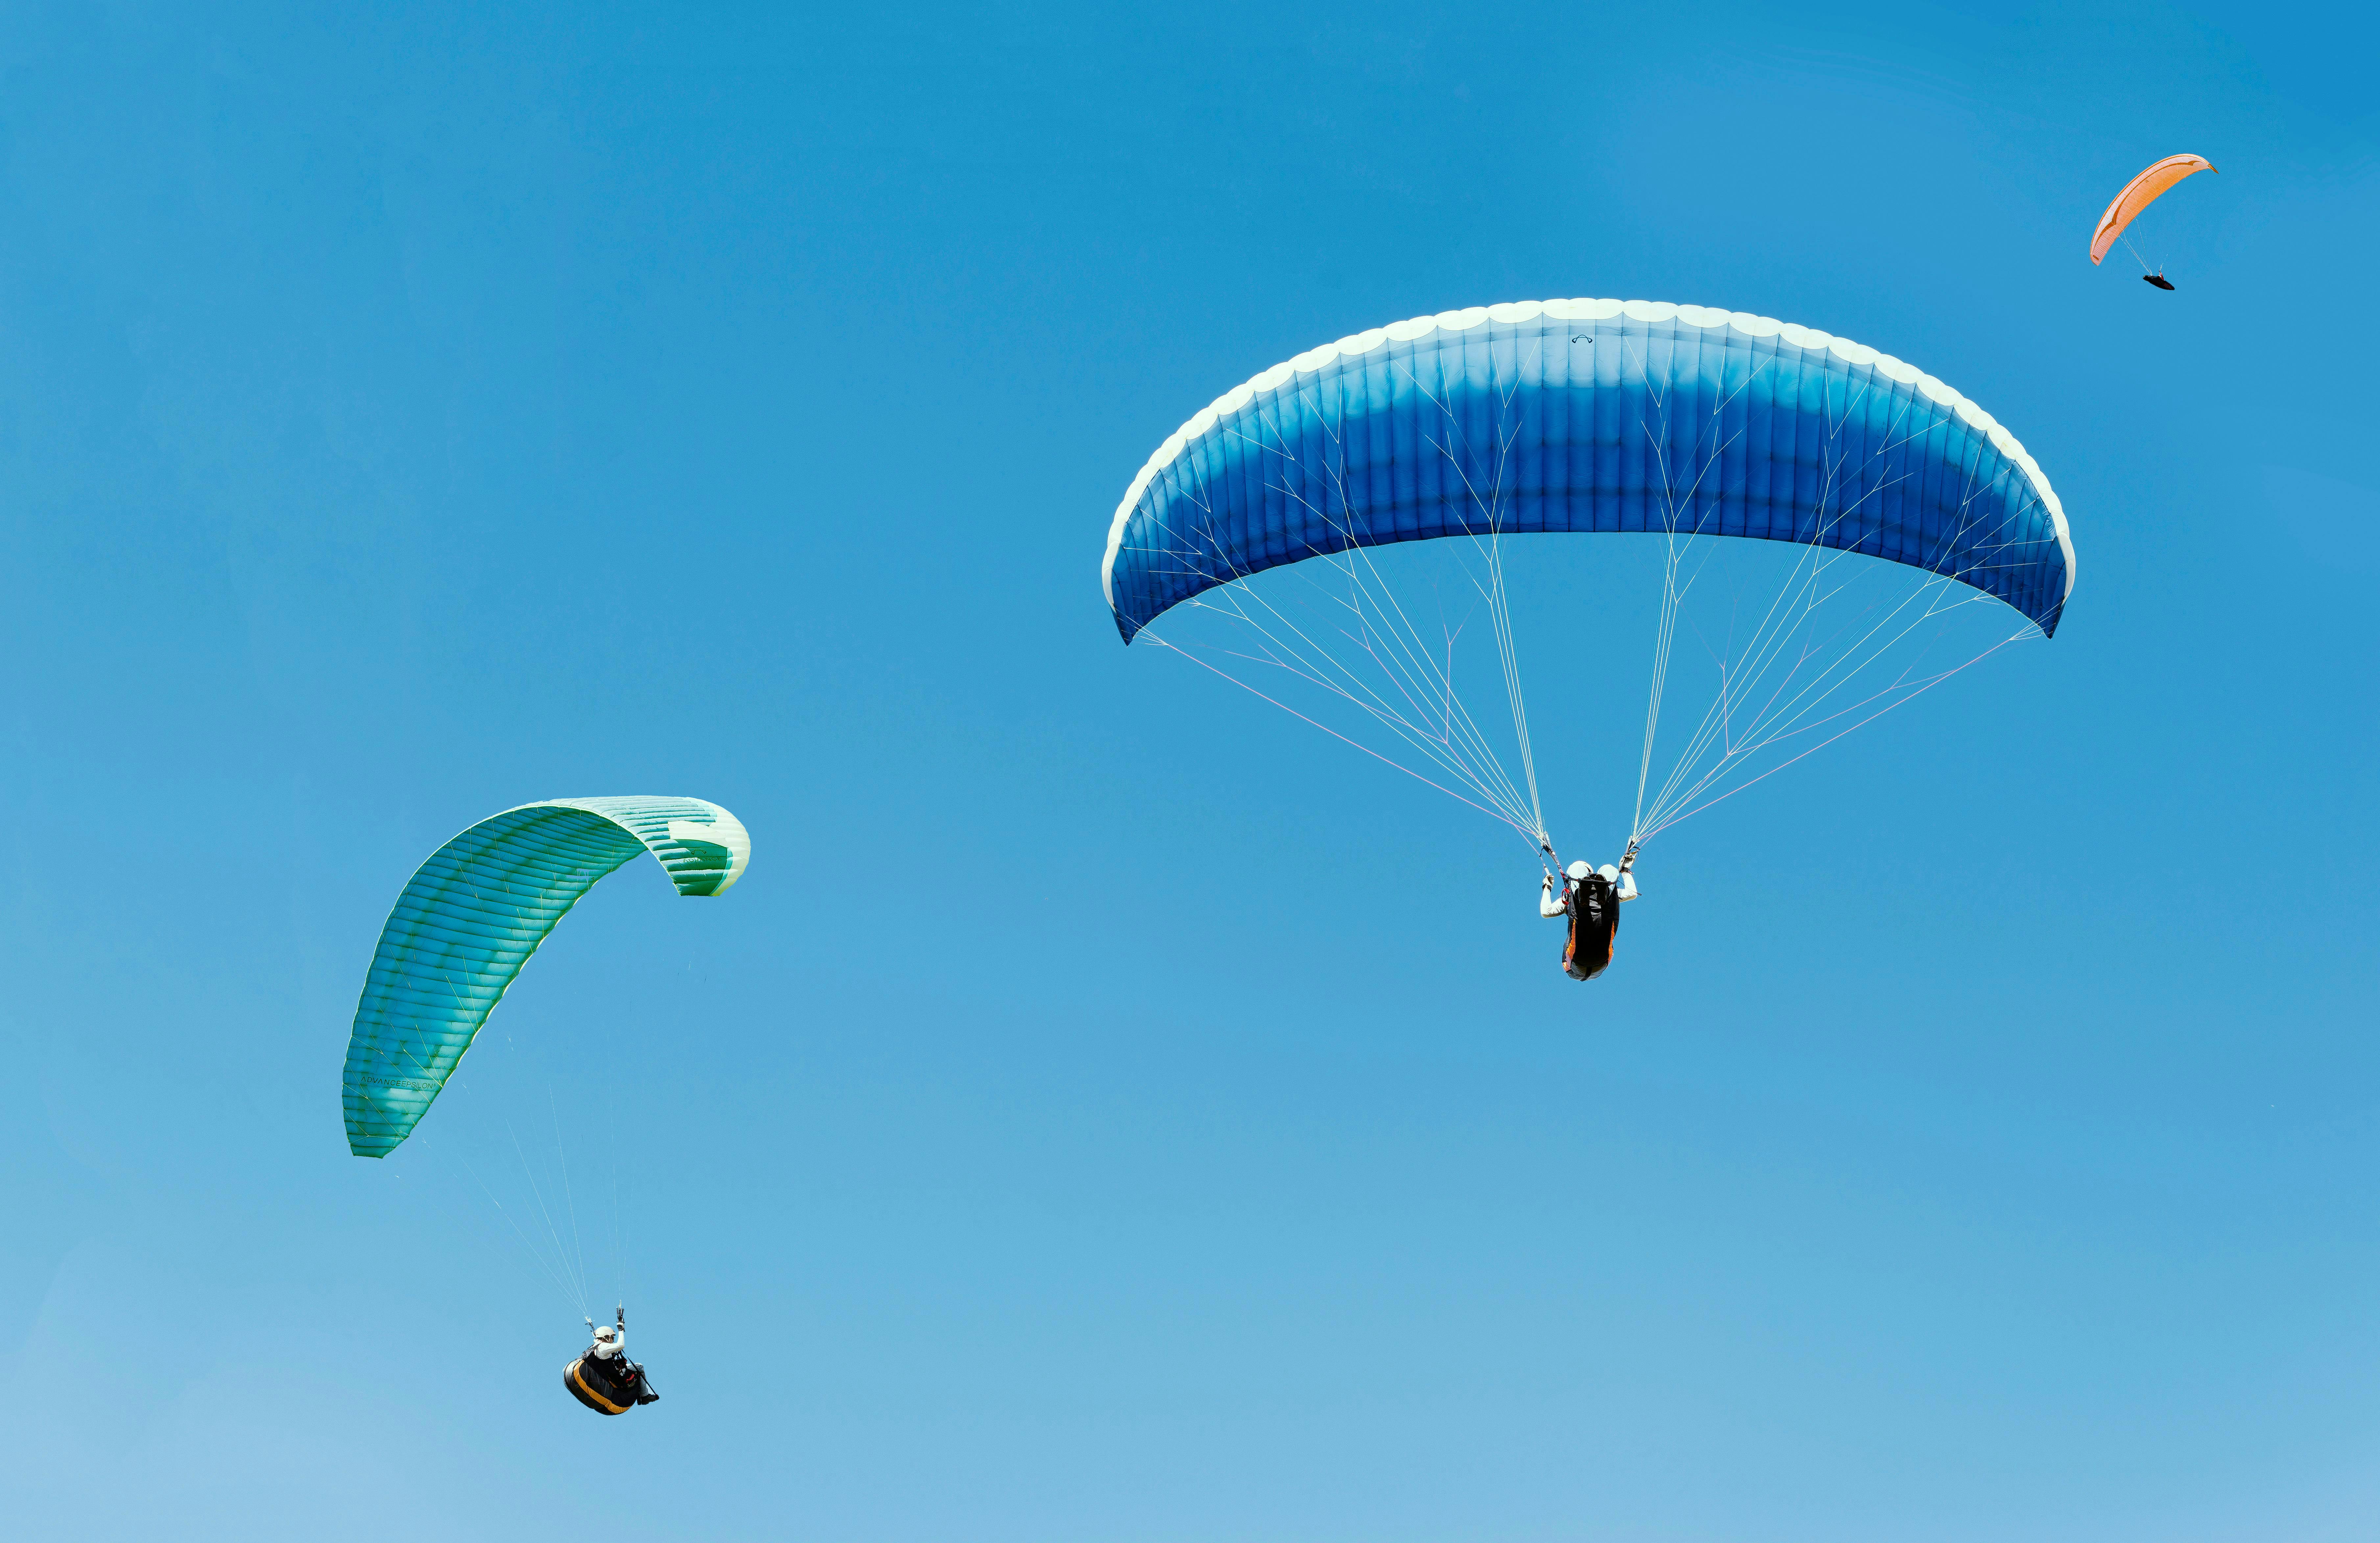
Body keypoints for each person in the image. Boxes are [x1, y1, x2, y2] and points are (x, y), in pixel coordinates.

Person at [1539, 852, 1638, 981]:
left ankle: (1585, 890)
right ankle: (1595, 890)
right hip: (1598, 956)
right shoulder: (1568, 900)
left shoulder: (1568, 900)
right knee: (1608, 869)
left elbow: (1546, 912)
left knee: (1582, 868)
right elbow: (1632, 893)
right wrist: (1625, 871)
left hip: (1580, 958)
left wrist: (1547, 888)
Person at [565, 1309, 660, 1414]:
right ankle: (645, 1396)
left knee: (632, 1367)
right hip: (616, 1376)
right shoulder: (603, 1347)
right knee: (640, 1367)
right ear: (606, 1337)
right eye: (612, 1338)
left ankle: (644, 1395)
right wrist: (621, 1330)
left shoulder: (595, 1347)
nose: (612, 1341)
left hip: (610, 1373)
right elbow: (621, 1345)